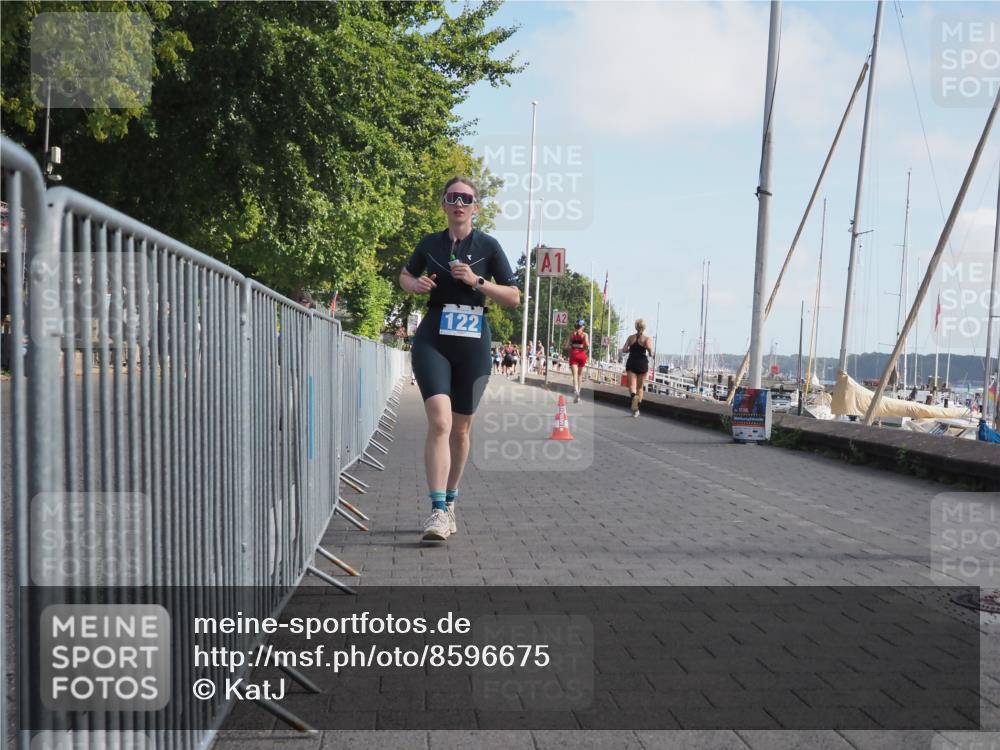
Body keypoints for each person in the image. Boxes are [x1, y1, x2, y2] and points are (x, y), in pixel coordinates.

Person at [399, 177, 520, 543]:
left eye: (466, 199)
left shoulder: (488, 246)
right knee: (439, 422)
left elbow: (513, 297)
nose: (459, 204)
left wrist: (478, 282)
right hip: (434, 336)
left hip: (472, 341)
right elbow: (405, 275)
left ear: (475, 207)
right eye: (452, 198)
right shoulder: (430, 243)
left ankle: (450, 501)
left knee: (461, 429)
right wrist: (414, 284)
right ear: (444, 204)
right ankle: (436, 510)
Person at [623, 319, 652, 417]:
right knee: (640, 388)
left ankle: (633, 397)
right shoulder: (647, 339)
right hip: (642, 363)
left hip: (632, 362)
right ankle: (636, 409)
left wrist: (630, 350)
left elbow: (624, 349)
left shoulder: (630, 338)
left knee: (632, 386)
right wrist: (651, 353)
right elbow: (650, 350)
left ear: (636, 327)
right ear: (644, 327)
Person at [566, 319, 589, 402]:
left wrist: (572, 346)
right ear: (582, 326)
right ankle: (579, 392)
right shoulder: (585, 335)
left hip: (573, 355)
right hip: (582, 355)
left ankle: (575, 390)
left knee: (575, 375)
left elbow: (566, 346)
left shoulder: (571, 334)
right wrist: (584, 349)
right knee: (580, 375)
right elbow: (587, 345)